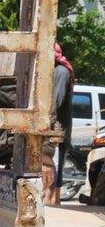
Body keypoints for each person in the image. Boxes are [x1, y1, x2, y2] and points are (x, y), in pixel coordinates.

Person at [44, 43, 74, 205]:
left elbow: (56, 100)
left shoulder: (61, 71)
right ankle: (53, 200)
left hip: (57, 128)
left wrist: (48, 121)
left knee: (53, 163)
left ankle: (51, 201)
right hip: (52, 125)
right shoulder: (54, 70)